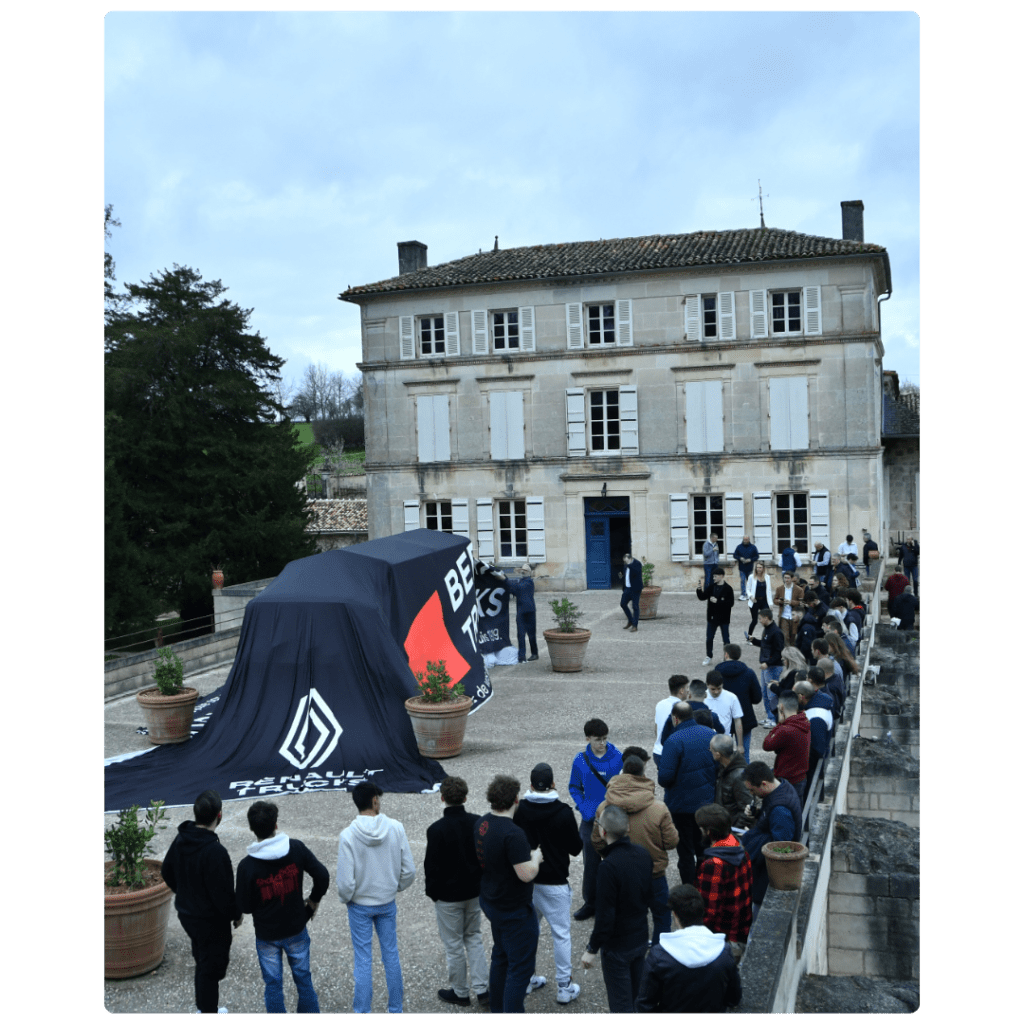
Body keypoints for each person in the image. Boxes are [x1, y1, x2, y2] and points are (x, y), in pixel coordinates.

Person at [236, 800, 329, 1015]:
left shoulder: (246, 866)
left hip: (267, 935)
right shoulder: (295, 848)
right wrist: (313, 901)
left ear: (251, 828)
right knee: (304, 980)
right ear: (276, 824)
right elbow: (322, 875)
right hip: (296, 927)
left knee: (273, 985)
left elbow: (245, 906)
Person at [336, 781, 416, 1014]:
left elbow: (345, 882)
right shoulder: (396, 828)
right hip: (386, 902)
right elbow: (409, 870)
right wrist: (394, 887)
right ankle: (395, 1009)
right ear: (374, 801)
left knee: (363, 960)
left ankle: (362, 1011)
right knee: (391, 955)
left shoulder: (348, 835)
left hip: (359, 905)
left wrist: (348, 898)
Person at [161, 789, 241, 1015]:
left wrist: (184, 893)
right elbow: (224, 896)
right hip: (210, 922)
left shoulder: (181, 839)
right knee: (210, 967)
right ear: (219, 816)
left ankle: (205, 1009)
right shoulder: (215, 852)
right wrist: (236, 914)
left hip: (187, 915)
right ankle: (207, 1012)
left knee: (202, 960)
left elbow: (167, 872)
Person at [513, 763, 584, 1005]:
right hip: (555, 883)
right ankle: (564, 986)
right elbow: (576, 848)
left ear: (531, 785)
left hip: (527, 881)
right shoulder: (563, 812)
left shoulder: (521, 809)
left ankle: (526, 979)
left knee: (528, 933)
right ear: (553, 784)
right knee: (561, 935)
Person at [592, 753, 679, 945]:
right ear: (643, 773)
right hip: (654, 873)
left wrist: (610, 857)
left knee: (624, 916)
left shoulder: (604, 807)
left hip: (619, 874)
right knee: (661, 916)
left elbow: (597, 841)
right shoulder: (659, 808)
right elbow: (672, 842)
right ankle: (658, 954)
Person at [475, 775, 544, 1015]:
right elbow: (525, 874)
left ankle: (497, 1009)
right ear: (516, 800)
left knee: (501, 956)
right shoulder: (514, 834)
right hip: (513, 909)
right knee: (520, 969)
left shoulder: (482, 823)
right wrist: (535, 858)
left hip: (492, 901)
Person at [580, 805, 657, 1014]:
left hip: (617, 947)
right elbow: (650, 895)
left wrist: (591, 949)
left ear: (602, 831)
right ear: (628, 828)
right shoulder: (643, 854)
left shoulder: (608, 867)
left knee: (621, 1005)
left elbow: (605, 916)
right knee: (637, 998)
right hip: (640, 937)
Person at [424, 776, 490, 1009]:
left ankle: (461, 992)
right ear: (465, 797)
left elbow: (431, 867)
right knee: (474, 938)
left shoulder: (436, 830)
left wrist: (433, 893)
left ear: (442, 798)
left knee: (453, 944)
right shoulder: (477, 822)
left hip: (448, 897)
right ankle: (483, 989)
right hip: (474, 892)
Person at [635, 884, 742, 1013]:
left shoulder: (659, 956)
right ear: (701, 912)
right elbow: (734, 998)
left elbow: (645, 1006)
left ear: (675, 915)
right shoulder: (723, 952)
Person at [568, 719, 623, 920]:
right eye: (598, 739)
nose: (603, 743)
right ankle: (590, 902)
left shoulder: (618, 757)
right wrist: (583, 807)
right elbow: (574, 787)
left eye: (605, 739)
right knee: (590, 865)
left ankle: (614, 902)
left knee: (614, 864)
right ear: (588, 738)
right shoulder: (580, 760)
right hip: (590, 820)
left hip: (612, 820)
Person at [657, 702, 717, 885]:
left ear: (675, 718)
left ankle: (690, 891)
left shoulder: (674, 740)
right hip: (706, 804)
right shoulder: (711, 735)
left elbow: (664, 778)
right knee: (704, 849)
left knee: (685, 854)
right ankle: (706, 886)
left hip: (681, 806)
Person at [739, 762, 802, 907]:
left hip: (767, 876)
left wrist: (753, 839)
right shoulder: (782, 788)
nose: (751, 794)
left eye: (753, 790)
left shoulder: (780, 809)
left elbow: (779, 846)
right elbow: (772, 822)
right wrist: (758, 814)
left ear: (764, 784)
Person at [694, 803, 753, 944]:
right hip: (741, 929)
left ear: (708, 832)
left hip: (721, 936)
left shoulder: (714, 864)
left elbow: (709, 910)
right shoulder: (740, 848)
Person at [714, 644, 762, 761]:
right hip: (745, 716)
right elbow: (757, 698)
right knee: (744, 755)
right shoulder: (748, 672)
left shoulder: (717, 672)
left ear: (726, 655)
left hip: (723, 718)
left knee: (722, 756)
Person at [761, 693, 811, 804]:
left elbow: (766, 744)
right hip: (800, 777)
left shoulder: (785, 729)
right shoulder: (803, 720)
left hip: (787, 779)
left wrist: (779, 724)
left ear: (781, 707)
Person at [794, 678, 834, 793]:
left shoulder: (816, 717)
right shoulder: (820, 703)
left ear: (802, 696)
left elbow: (817, 749)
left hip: (810, 767)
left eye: (794, 694)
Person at [747, 608, 785, 727]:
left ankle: (774, 718)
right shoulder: (767, 630)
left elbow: (779, 652)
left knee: (772, 694)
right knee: (765, 692)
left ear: (766, 618)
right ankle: (769, 716)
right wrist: (754, 641)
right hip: (767, 667)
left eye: (760, 618)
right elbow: (765, 645)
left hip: (773, 667)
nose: (759, 621)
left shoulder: (776, 632)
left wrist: (768, 663)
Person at [709, 734, 752, 828]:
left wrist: (735, 830)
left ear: (718, 754)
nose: (710, 751)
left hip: (732, 829)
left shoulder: (739, 776)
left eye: (711, 750)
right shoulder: (723, 767)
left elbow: (747, 808)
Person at [498, 564, 538, 663]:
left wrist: (504, 579)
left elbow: (517, 588)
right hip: (521, 611)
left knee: (531, 634)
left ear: (528, 573)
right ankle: (522, 656)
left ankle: (534, 653)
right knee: (520, 635)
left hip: (529, 611)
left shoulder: (529, 582)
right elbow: (513, 589)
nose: (522, 572)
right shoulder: (521, 582)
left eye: (524, 571)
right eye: (522, 571)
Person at [697, 565, 734, 665]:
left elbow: (730, 603)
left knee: (726, 639)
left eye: (715, 576)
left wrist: (718, 601)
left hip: (724, 619)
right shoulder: (711, 587)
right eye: (713, 577)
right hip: (712, 618)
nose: (713, 578)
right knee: (709, 638)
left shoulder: (728, 589)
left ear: (721, 576)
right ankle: (709, 656)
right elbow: (702, 597)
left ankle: (727, 657)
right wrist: (699, 589)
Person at [653, 676, 689, 768]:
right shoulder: (684, 708)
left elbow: (656, 729)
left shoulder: (660, 704)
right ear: (681, 690)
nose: (688, 691)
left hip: (658, 751)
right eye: (687, 688)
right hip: (672, 754)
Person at [705, 672, 744, 753]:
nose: (716, 692)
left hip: (725, 741)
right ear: (707, 685)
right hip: (706, 741)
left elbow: (737, 720)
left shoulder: (731, 697)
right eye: (713, 689)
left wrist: (740, 745)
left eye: (719, 688)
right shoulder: (702, 698)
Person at [772, 571, 804, 646]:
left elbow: (801, 603)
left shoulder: (799, 590)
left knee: (793, 636)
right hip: (784, 616)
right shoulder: (779, 589)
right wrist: (780, 601)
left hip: (794, 616)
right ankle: (787, 652)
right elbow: (775, 600)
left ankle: (792, 652)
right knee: (785, 636)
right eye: (785, 578)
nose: (786, 580)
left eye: (788, 578)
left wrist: (790, 602)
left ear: (792, 579)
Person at [746, 559, 773, 634]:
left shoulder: (767, 577)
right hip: (754, 601)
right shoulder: (751, 577)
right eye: (757, 567)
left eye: (760, 567)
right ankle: (749, 637)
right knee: (754, 621)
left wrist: (770, 603)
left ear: (763, 568)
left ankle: (770, 635)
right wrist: (751, 596)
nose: (759, 569)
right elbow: (747, 589)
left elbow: (769, 591)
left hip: (764, 601)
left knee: (768, 619)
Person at [620, 554, 643, 632]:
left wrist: (629, 565)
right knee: (623, 604)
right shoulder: (626, 565)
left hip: (635, 589)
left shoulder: (637, 564)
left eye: (626, 561)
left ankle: (635, 625)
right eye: (624, 561)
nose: (625, 562)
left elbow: (635, 572)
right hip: (627, 589)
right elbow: (625, 575)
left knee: (635, 606)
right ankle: (630, 620)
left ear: (630, 559)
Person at [732, 535, 758, 600]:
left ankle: (750, 594)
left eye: (746, 539)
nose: (745, 541)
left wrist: (750, 559)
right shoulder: (739, 547)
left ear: (749, 540)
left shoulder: (753, 547)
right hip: (742, 567)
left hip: (750, 567)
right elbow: (735, 555)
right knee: (743, 581)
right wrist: (740, 558)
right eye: (744, 539)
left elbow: (756, 556)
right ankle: (743, 594)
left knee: (750, 581)